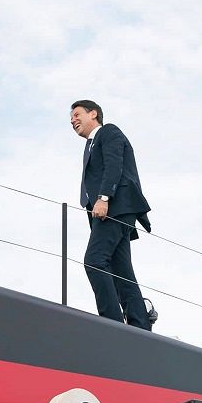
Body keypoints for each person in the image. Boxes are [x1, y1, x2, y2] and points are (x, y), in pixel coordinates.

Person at [70, 100, 153, 330]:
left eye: (77, 114)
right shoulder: (90, 144)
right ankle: (140, 325)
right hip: (109, 213)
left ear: (93, 113)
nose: (73, 120)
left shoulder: (108, 132)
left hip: (115, 208)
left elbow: (114, 164)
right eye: (71, 118)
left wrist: (104, 197)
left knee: (95, 260)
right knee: (121, 270)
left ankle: (112, 324)